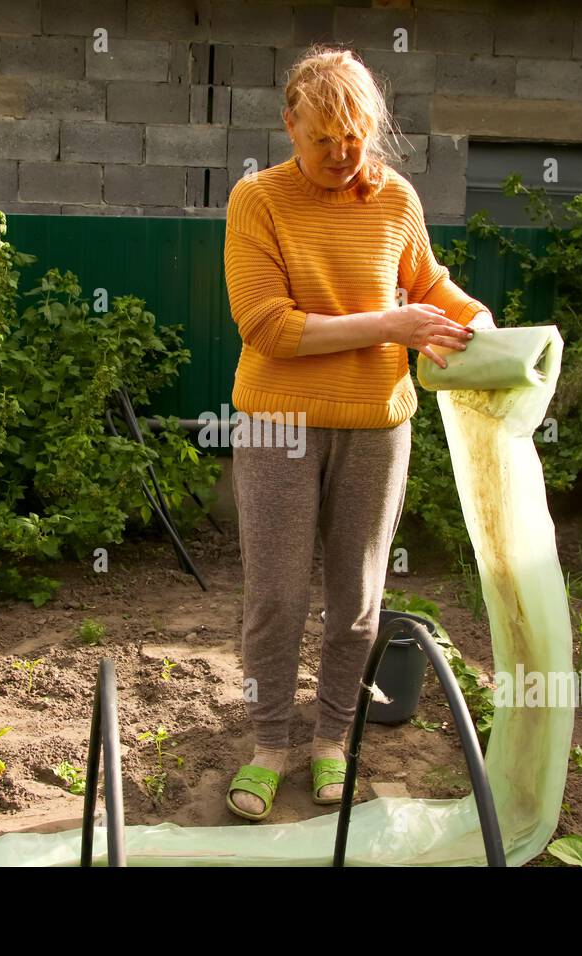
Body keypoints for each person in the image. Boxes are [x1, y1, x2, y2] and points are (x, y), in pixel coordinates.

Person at [222, 44, 496, 821]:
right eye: (323, 138)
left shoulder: (395, 198)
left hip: (375, 426)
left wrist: (479, 322)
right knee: (275, 595)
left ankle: (332, 742)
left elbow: (428, 283)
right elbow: (266, 326)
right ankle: (269, 745)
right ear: (289, 125)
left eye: (355, 137)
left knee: (357, 602)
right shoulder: (258, 200)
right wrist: (392, 325)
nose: (342, 155)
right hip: (278, 423)